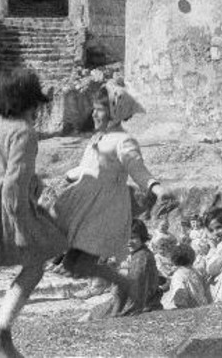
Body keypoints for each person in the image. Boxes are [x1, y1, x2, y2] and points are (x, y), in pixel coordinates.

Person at [0, 69, 68, 356]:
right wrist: (21, 226)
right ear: (28, 103)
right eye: (35, 104)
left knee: (38, 259)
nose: (38, 110)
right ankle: (1, 329)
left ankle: (1, 329)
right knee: (37, 262)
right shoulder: (25, 133)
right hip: (10, 209)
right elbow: (14, 186)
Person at [50, 80, 168, 315]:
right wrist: (65, 176)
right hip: (84, 200)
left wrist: (157, 188)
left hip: (102, 208)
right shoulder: (97, 139)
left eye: (100, 109)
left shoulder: (124, 141)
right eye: (94, 109)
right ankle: (122, 282)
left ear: (114, 113)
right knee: (72, 264)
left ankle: (124, 284)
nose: (94, 114)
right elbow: (86, 168)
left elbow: (138, 170)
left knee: (76, 261)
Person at [120, 219, 163, 315]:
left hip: (144, 305)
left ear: (142, 237)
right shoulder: (138, 253)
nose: (128, 242)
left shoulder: (142, 258)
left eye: (133, 237)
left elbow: (137, 290)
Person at [162, 244, 209, 310]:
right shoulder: (195, 271)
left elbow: (179, 293)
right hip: (200, 303)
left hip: (188, 306)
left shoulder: (179, 275)